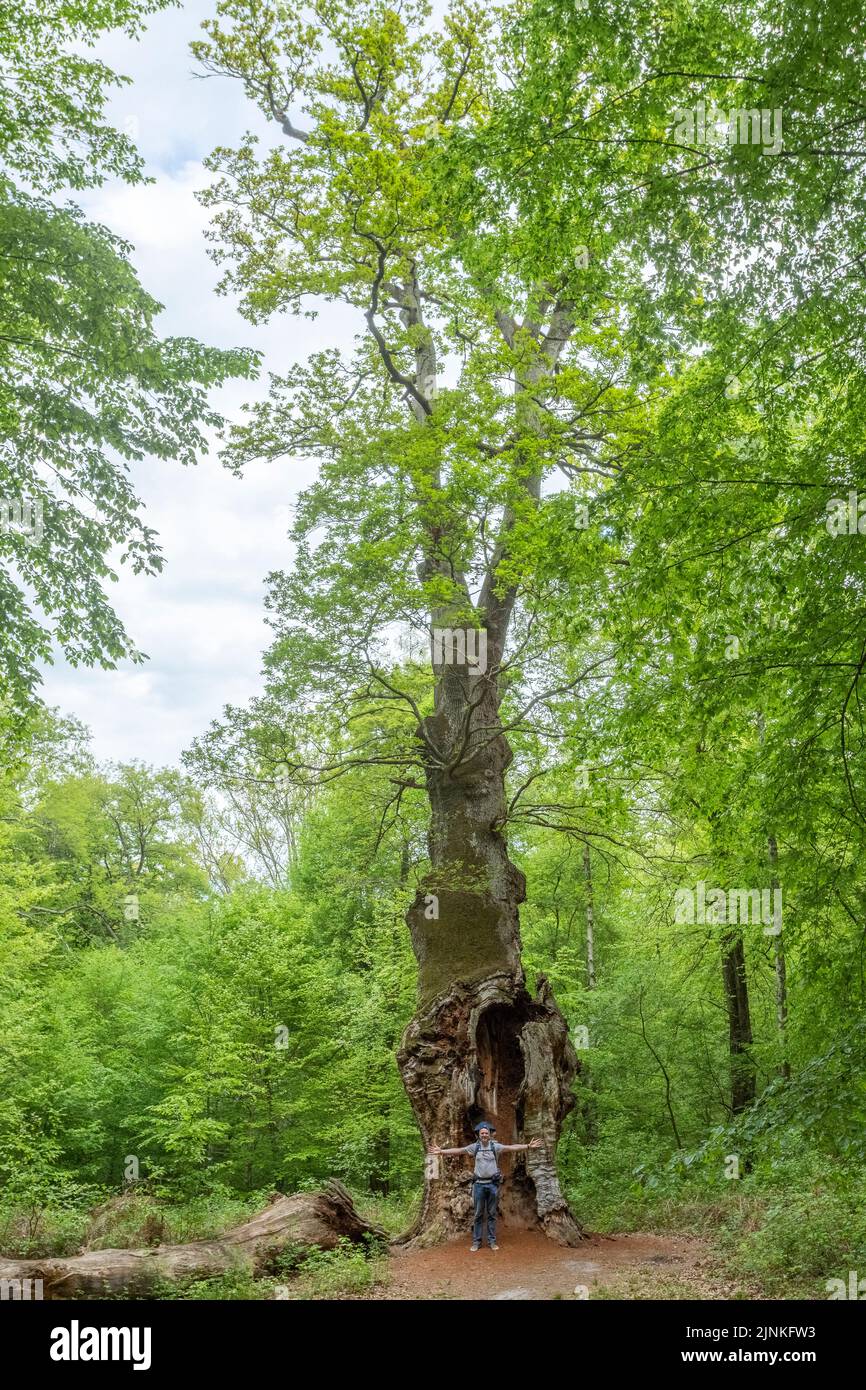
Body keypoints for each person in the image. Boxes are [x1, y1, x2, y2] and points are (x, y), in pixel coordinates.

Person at [428, 1121, 542, 1251]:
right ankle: (476, 1242)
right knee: (478, 1214)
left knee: (492, 1214)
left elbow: (511, 1147)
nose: (484, 1135)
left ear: (490, 1135)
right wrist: (442, 1151)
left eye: (486, 1133)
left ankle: (492, 1241)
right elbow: (459, 1151)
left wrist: (527, 1146)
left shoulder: (495, 1146)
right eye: (482, 1133)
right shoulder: (474, 1147)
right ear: (478, 1135)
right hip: (479, 1185)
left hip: (493, 1185)